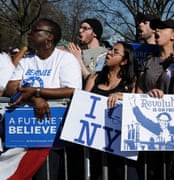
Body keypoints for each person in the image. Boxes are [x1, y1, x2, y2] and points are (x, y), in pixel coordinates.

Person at [5, 18, 82, 180]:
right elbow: (11, 88)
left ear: (49, 37)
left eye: (34, 30)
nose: (29, 34)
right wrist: (35, 98)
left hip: (50, 135)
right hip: (23, 133)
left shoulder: (66, 59)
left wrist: (37, 90)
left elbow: (72, 90)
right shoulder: (26, 61)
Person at [136, 18, 174, 180]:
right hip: (148, 127)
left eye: (162, 28)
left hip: (172, 130)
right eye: (155, 28)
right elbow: (138, 91)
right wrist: (148, 95)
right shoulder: (148, 60)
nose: (156, 31)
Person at [84, 41, 137, 180]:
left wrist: (123, 97)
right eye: (110, 49)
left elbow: (137, 103)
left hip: (118, 146)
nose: (109, 53)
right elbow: (82, 103)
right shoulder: (94, 77)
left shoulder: (130, 82)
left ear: (124, 61)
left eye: (115, 52)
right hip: (95, 143)